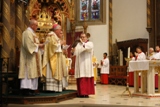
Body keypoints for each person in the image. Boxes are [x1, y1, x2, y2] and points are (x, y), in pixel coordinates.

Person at [18, 19, 44, 96]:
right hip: (28, 58)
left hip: (34, 57)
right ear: (32, 25)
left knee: (33, 73)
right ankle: (26, 90)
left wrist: (40, 47)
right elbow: (28, 45)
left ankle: (32, 89)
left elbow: (35, 44)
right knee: (28, 73)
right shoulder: (26, 33)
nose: (37, 27)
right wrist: (39, 46)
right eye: (36, 25)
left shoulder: (33, 34)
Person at [42, 24, 68, 92]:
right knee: (52, 72)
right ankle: (51, 88)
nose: (61, 31)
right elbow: (52, 47)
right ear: (56, 30)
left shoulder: (55, 36)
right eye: (60, 29)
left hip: (56, 57)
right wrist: (61, 43)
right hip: (52, 58)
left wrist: (62, 46)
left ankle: (55, 88)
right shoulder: (51, 36)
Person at [71, 33, 95, 98]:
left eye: (84, 37)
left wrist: (82, 44)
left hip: (86, 64)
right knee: (80, 78)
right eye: (81, 37)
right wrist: (73, 51)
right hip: (79, 64)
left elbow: (86, 48)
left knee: (85, 78)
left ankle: (86, 93)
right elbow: (74, 53)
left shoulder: (90, 43)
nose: (82, 38)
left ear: (86, 38)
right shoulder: (78, 45)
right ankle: (80, 93)